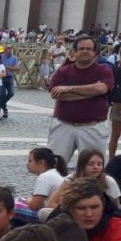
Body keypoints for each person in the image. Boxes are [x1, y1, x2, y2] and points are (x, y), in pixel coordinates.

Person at [47, 35, 114, 166]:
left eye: (89, 49)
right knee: (53, 167)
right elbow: (55, 93)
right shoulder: (63, 71)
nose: (85, 51)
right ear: (74, 51)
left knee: (93, 172)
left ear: (95, 52)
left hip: (92, 127)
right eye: (81, 48)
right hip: (63, 125)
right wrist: (90, 93)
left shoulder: (104, 70)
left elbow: (101, 89)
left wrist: (68, 88)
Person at [51, 180, 121, 241]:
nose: (89, 214)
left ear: (103, 205)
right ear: (69, 209)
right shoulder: (57, 228)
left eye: (94, 207)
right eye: (81, 208)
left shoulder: (115, 225)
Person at [46, 148, 121, 211]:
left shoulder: (108, 181)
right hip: (73, 215)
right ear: (82, 165)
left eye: (99, 164)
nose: (96, 167)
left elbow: (116, 207)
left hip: (102, 217)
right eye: (91, 164)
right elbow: (51, 203)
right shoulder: (71, 178)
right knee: (44, 212)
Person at [14, 147, 68, 221]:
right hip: (58, 212)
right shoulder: (54, 172)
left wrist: (29, 198)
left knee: (13, 207)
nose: (27, 164)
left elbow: (34, 205)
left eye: (30, 161)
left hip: (51, 215)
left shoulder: (44, 177)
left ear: (41, 163)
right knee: (18, 200)